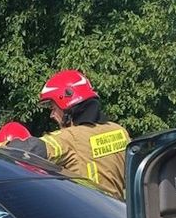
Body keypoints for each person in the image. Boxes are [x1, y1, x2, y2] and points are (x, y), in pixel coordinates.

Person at [33, 70, 129, 199]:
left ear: (65, 104)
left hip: (86, 213)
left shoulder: (71, 138)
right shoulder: (119, 131)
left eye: (53, 108)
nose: (52, 115)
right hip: (116, 214)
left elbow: (32, 148)